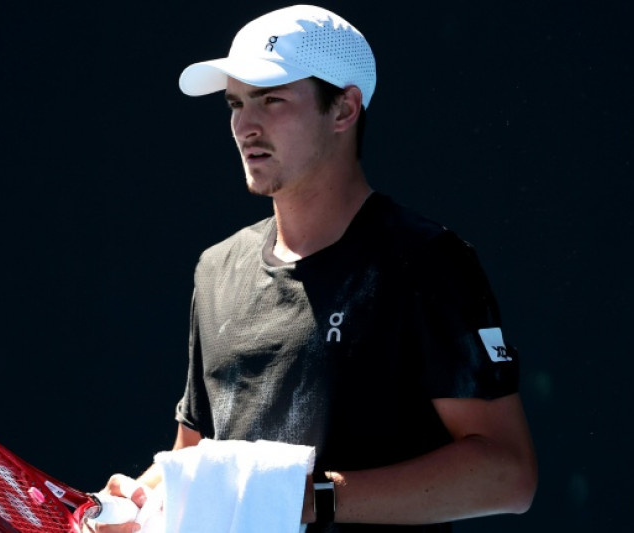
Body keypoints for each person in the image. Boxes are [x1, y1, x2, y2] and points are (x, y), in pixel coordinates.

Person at [90, 5, 537, 532]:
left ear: (344, 109)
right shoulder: (216, 269)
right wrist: (139, 500)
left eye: (271, 100)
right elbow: (195, 459)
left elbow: (508, 476)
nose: (244, 125)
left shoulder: (428, 263)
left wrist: (312, 497)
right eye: (235, 103)